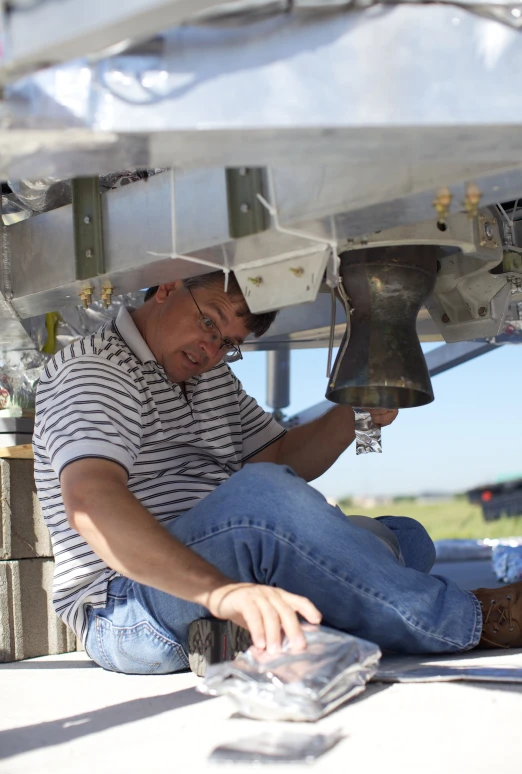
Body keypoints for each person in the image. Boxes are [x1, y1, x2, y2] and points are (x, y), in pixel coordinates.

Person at [33, 271, 522, 675]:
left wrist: (353, 414)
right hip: (130, 608)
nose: (210, 348)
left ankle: (244, 636)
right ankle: (468, 620)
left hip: (227, 564)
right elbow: (91, 500)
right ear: (167, 285)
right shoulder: (96, 368)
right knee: (270, 502)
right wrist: (220, 592)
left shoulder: (209, 376)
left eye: (227, 343)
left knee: (406, 536)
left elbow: (282, 456)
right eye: (209, 320)